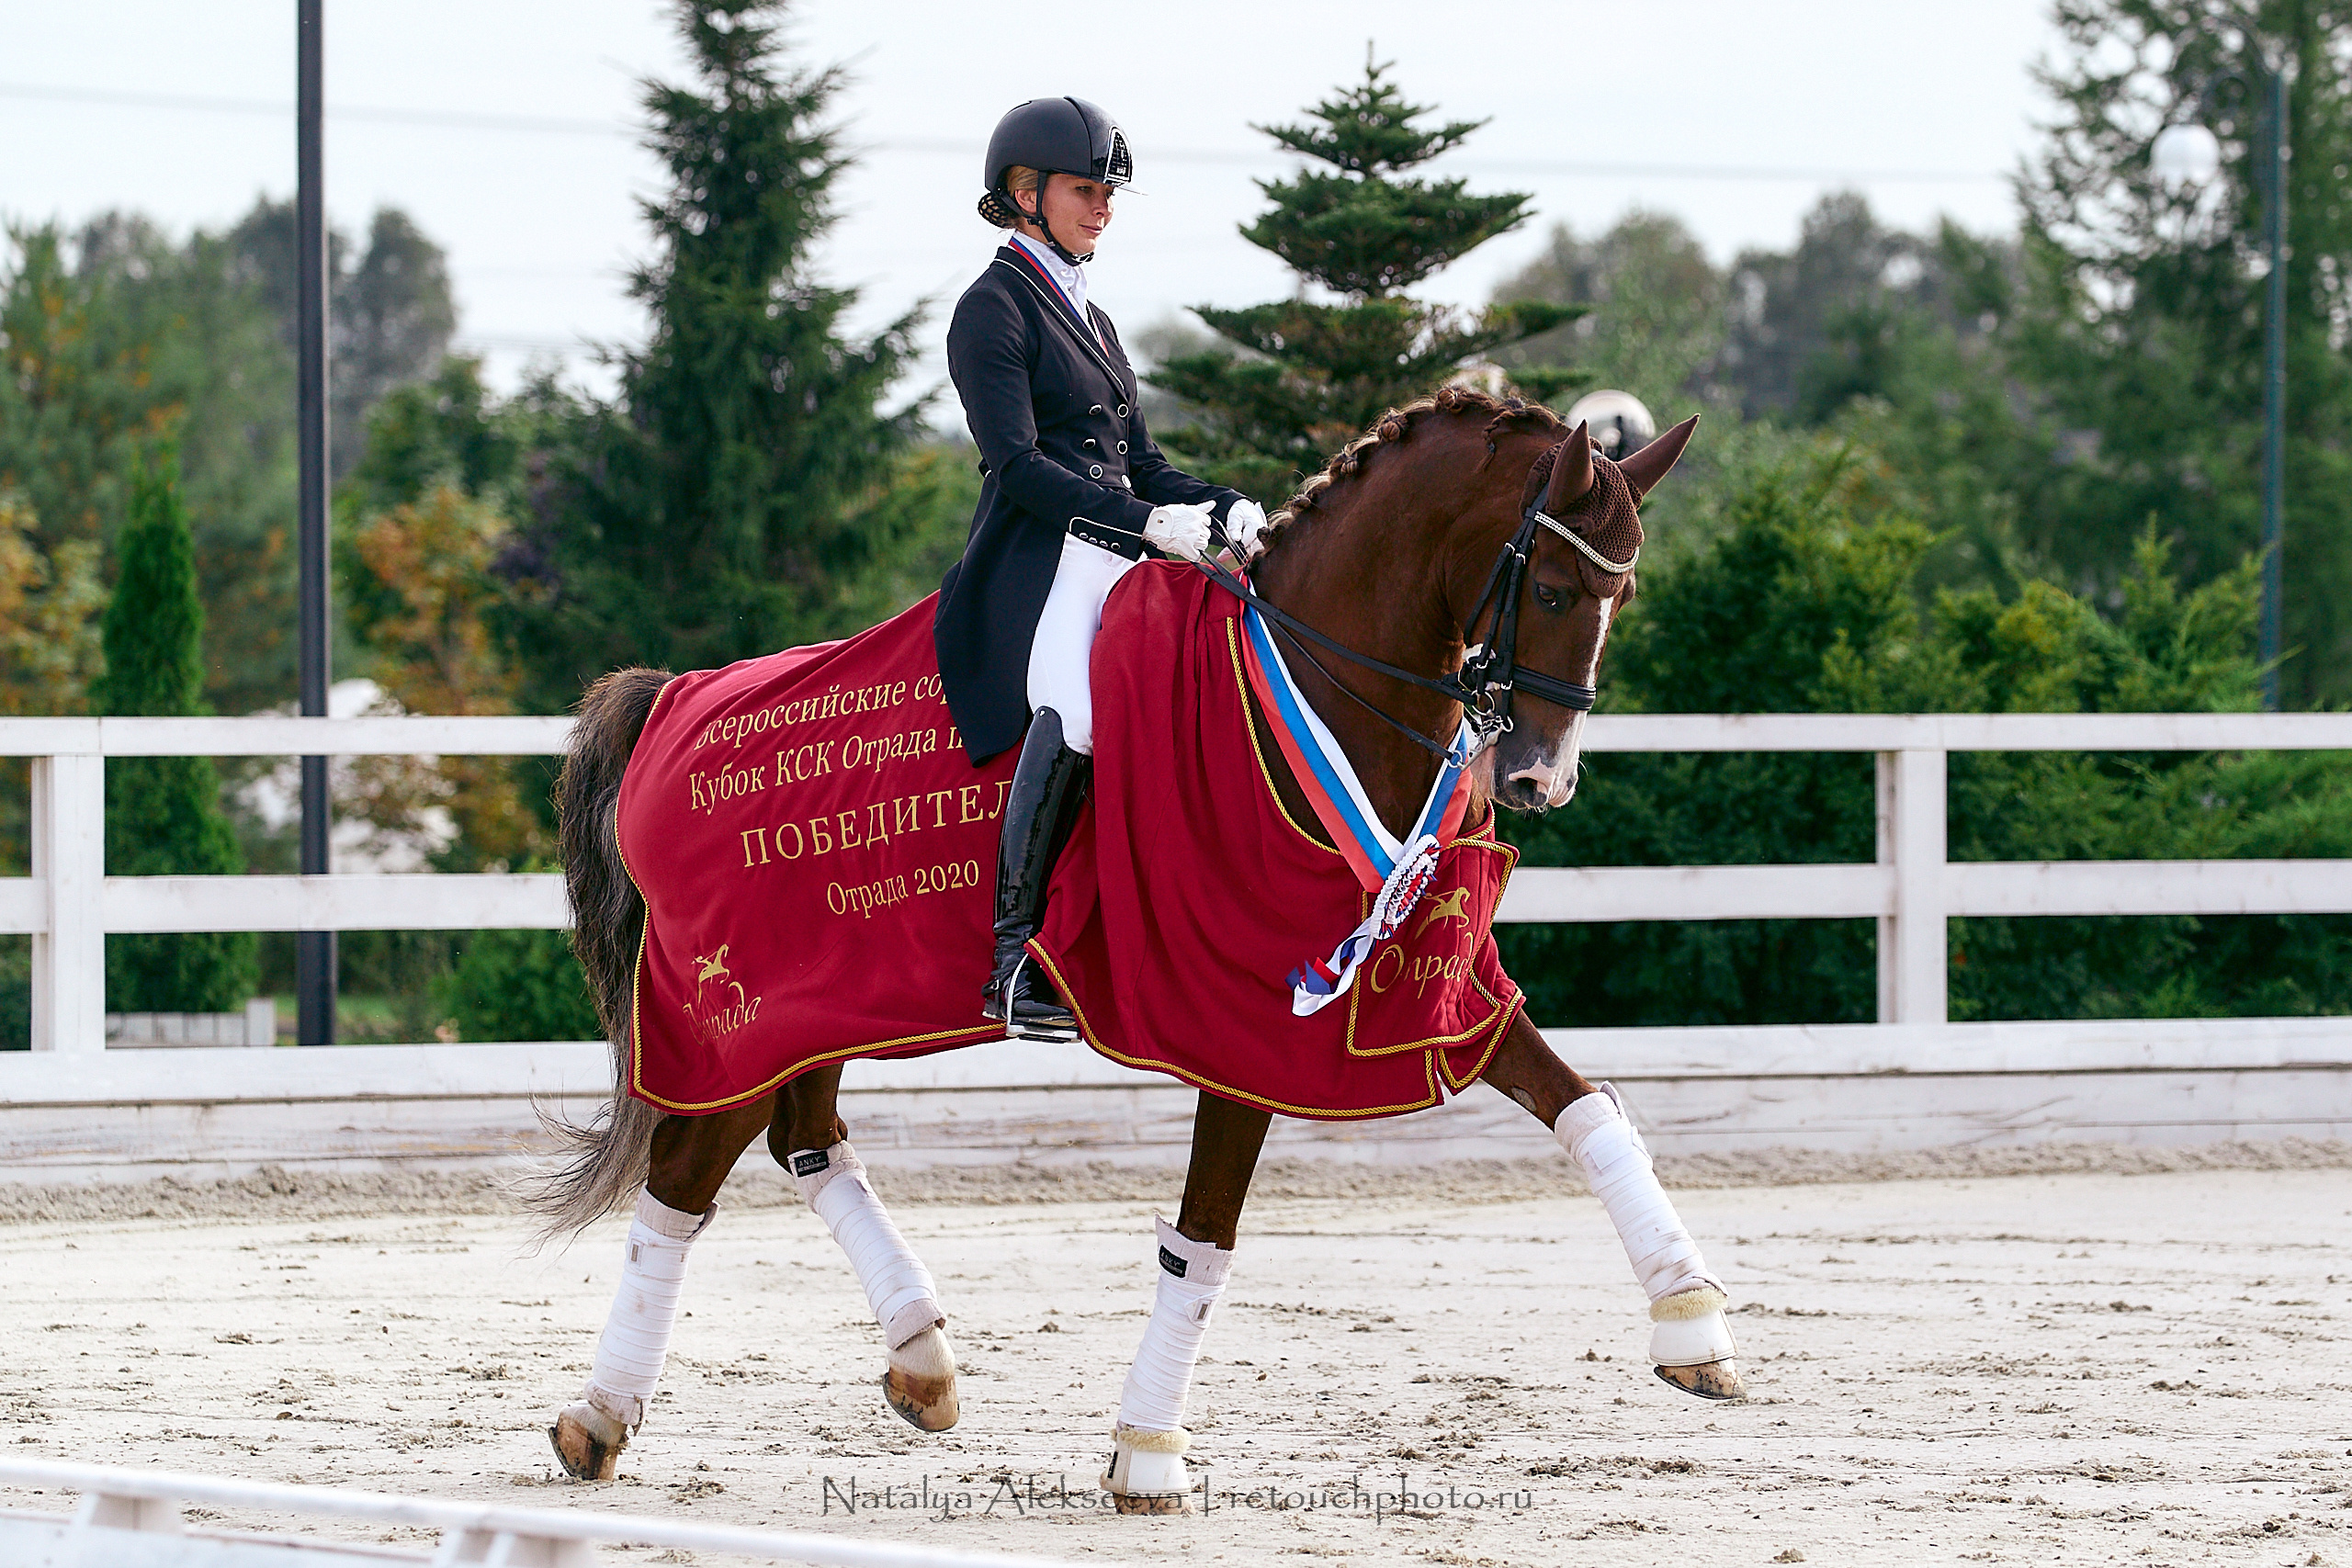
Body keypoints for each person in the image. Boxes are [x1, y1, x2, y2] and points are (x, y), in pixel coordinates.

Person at [934, 96, 1267, 1041]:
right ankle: (1013, 957)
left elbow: (1146, 465)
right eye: (1086, 191)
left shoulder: (1097, 318)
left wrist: (1222, 503)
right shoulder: (991, 308)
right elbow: (1021, 469)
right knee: (1078, 708)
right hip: (1041, 562)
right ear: (1023, 193)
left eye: (1108, 193)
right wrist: (1148, 524)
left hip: (1118, 548)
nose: (1103, 209)